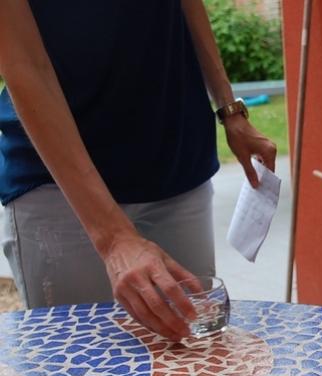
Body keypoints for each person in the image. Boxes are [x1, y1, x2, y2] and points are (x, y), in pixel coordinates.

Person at [0, 0, 276, 341]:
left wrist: (230, 109)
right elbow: (23, 63)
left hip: (177, 167)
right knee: (84, 372)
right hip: (60, 194)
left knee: (194, 357)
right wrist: (113, 238)